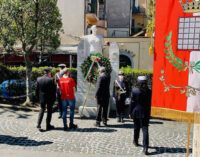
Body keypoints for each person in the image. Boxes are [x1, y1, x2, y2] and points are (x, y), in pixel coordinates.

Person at [129, 76, 152, 155]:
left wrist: (130, 112)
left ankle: (135, 141)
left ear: (138, 82)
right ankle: (145, 147)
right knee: (145, 130)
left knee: (136, 127)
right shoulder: (149, 91)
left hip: (136, 111)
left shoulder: (135, 90)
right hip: (145, 112)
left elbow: (132, 103)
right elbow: (150, 103)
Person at [36, 67, 56, 131]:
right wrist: (54, 99)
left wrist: (38, 98)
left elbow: (36, 90)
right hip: (49, 98)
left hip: (42, 98)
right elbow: (54, 91)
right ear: (49, 72)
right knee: (49, 111)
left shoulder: (38, 79)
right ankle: (48, 125)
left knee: (42, 109)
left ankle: (38, 123)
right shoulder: (51, 80)